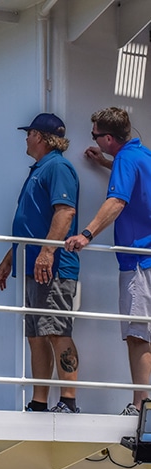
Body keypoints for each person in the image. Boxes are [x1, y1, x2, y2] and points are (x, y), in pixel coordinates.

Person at [0, 113, 81, 413]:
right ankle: (38, 402)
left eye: (28, 133)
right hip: (33, 267)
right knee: (36, 335)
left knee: (57, 331)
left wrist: (48, 252)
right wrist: (9, 261)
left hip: (52, 268)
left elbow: (65, 213)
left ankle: (68, 401)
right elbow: (26, 224)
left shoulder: (57, 167)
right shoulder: (39, 169)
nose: (26, 139)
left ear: (40, 137)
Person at [65, 107, 151, 416]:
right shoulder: (142, 156)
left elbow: (117, 201)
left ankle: (140, 405)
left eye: (96, 137)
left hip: (139, 261)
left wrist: (86, 235)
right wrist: (105, 164)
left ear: (110, 138)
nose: (95, 141)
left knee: (138, 335)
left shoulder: (126, 160)